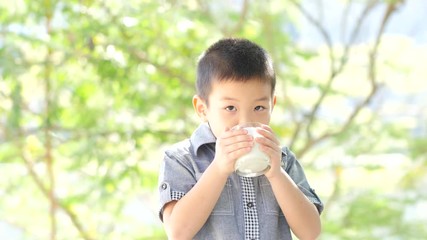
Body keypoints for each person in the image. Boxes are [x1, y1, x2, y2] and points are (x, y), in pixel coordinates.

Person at [158, 38, 323, 240]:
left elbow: (311, 232)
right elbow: (177, 232)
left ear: (272, 105)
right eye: (230, 108)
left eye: (259, 108)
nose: (245, 121)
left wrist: (277, 174)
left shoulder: (283, 159)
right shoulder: (182, 159)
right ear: (202, 109)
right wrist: (219, 168)